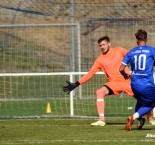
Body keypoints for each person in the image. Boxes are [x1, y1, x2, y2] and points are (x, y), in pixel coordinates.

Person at [63, 36, 155, 127]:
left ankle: (149, 118)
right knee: (100, 92)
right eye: (100, 45)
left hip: (128, 81)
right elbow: (90, 74)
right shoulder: (100, 60)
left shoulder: (119, 50)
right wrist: (76, 83)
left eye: (104, 44)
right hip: (113, 83)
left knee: (144, 98)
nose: (102, 47)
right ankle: (101, 120)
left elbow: (134, 57)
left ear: (109, 44)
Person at [120, 29, 155, 131]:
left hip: (134, 84)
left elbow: (121, 68)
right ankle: (133, 117)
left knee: (140, 100)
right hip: (147, 84)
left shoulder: (131, 52)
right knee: (151, 103)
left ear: (137, 41)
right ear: (146, 39)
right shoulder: (151, 50)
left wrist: (125, 75)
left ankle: (139, 122)